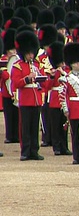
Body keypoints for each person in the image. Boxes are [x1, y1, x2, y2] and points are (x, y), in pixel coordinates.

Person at [12, 30, 46, 161]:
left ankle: (34, 151)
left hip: (36, 99)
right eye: (28, 53)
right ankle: (25, 151)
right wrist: (27, 78)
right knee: (25, 127)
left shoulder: (37, 65)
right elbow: (16, 83)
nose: (31, 56)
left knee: (34, 127)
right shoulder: (18, 66)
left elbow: (44, 81)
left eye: (32, 53)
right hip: (25, 100)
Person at [1, 29, 19, 145]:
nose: (13, 51)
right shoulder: (2, 59)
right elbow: (5, 75)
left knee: (16, 114)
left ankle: (16, 135)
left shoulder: (16, 60)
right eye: (11, 49)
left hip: (16, 91)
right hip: (6, 92)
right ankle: (9, 135)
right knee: (8, 115)